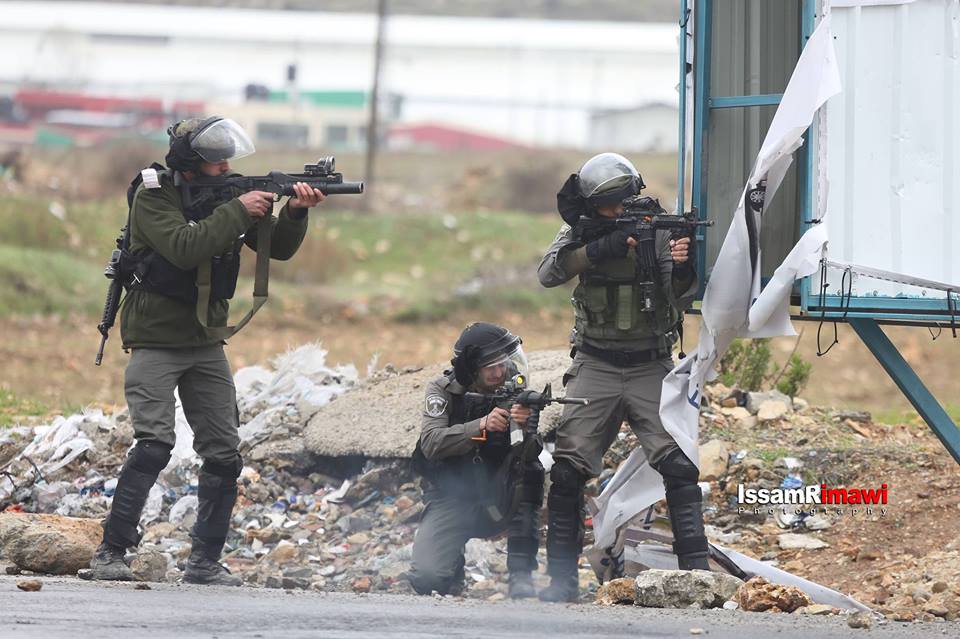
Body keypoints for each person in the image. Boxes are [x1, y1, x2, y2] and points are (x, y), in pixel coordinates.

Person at [90, 116, 326, 585]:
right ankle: (110, 552)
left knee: (224, 454)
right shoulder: (153, 193)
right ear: (191, 164)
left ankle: (204, 562)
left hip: (205, 340)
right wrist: (239, 209)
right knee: (155, 445)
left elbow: (274, 249)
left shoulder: (226, 196)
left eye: (227, 160)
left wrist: (295, 211)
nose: (224, 167)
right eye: (215, 161)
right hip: (157, 338)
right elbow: (182, 246)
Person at [536, 152, 704, 602]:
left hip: (650, 362)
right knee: (569, 472)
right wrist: (600, 248)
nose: (620, 213)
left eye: (624, 203)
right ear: (594, 207)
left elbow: (681, 292)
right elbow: (549, 273)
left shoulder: (659, 229)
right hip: (596, 364)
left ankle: (701, 575)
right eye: (611, 207)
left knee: (679, 466)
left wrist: (682, 262)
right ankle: (561, 584)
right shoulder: (578, 232)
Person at [408, 323, 545, 599]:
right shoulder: (442, 390)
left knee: (533, 472)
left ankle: (521, 574)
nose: (499, 372)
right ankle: (452, 566)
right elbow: (432, 443)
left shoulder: (512, 386)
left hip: (499, 492)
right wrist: (481, 425)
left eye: (502, 364)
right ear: (471, 370)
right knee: (427, 579)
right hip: (453, 495)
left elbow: (528, 455)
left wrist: (527, 426)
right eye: (490, 367)